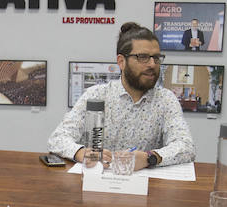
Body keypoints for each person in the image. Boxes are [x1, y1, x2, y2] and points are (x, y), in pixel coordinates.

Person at [47, 21, 196, 172]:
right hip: (97, 184)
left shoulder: (165, 100)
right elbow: (58, 139)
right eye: (143, 57)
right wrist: (82, 153)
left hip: (144, 188)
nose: (152, 64)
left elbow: (186, 146)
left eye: (156, 58)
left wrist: (149, 158)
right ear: (121, 61)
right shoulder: (96, 95)